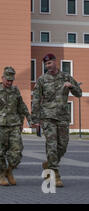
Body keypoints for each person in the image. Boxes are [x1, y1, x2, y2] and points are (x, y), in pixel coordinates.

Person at [31, 53, 82, 187]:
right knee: (52, 146)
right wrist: (35, 119)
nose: (48, 66)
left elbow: (79, 93)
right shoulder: (42, 79)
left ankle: (49, 163)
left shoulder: (66, 77)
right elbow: (36, 99)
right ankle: (54, 173)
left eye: (50, 63)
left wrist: (71, 86)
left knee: (63, 146)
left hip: (63, 117)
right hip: (48, 117)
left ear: (55, 62)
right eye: (46, 64)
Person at [0, 66, 36, 186]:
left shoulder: (15, 91)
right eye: (7, 80)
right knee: (0, 153)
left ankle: (9, 170)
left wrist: (29, 119)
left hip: (14, 125)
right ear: (2, 78)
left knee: (17, 151)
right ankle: (2, 175)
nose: (9, 82)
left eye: (11, 80)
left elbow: (21, 106)